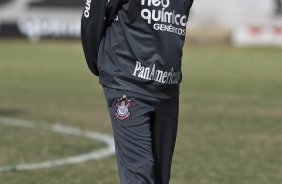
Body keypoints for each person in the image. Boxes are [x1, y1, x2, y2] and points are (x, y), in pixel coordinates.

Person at [81, 0, 194, 183]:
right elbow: (93, 17)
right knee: (139, 174)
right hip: (127, 82)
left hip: (168, 87)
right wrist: (103, 66)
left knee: (160, 177)